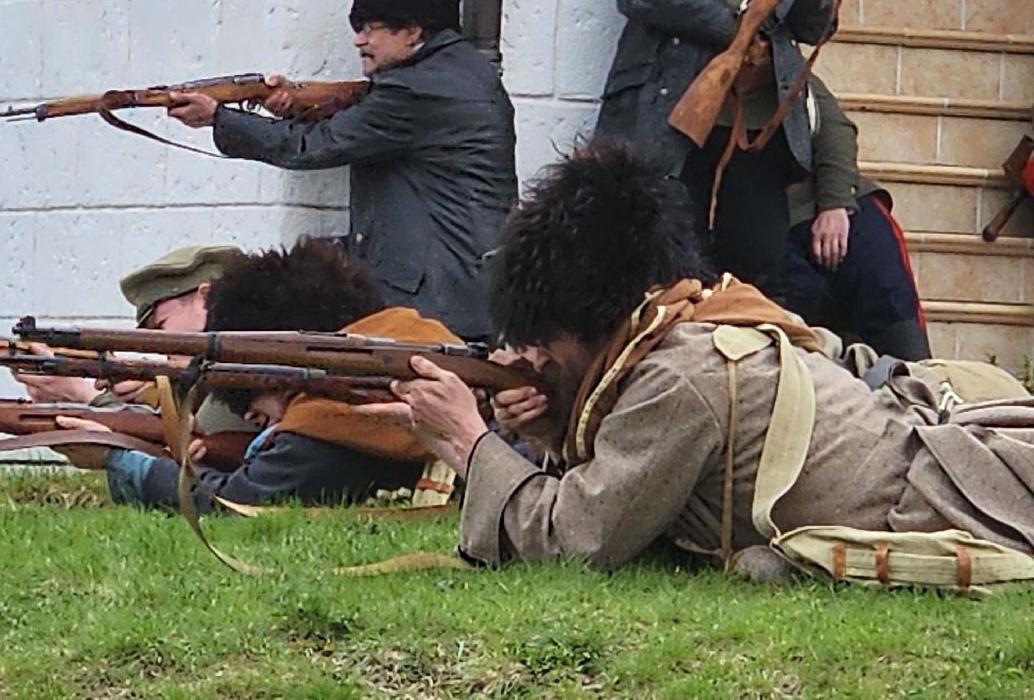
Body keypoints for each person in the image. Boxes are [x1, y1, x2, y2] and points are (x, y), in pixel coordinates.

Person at [370, 141, 1034, 574]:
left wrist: (467, 441)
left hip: (949, 507)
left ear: (583, 318)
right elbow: (621, 486)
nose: (534, 357)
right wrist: (550, 426)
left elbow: (575, 541)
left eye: (543, 340)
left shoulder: (676, 377)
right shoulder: (680, 327)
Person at [165, 0, 517, 339]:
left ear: (413, 30)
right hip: (461, 300)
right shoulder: (454, 74)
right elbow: (367, 126)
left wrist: (219, 118)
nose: (359, 41)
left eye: (371, 28)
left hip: (438, 308)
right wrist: (293, 106)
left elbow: (313, 147)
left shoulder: (416, 89)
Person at [595, 0, 834, 300]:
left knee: (756, 268)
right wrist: (737, 24)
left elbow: (817, 28)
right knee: (659, 268)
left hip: (756, 132)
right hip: (670, 125)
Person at [59, 239, 454, 512]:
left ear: (277, 367)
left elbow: (233, 501)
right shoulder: (407, 337)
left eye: (251, 398)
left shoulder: (326, 420)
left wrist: (119, 460)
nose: (250, 415)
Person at [13, 244, 248, 432]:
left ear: (204, 298)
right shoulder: (212, 368)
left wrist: (84, 395)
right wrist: (151, 393)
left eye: (161, 325)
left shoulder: (243, 369)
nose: (159, 347)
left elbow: (183, 451)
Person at [782, 76, 930, 362]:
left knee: (883, 276)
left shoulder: (786, 66)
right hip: (761, 228)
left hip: (831, 204)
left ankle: (914, 375)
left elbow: (835, 131)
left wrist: (835, 203)